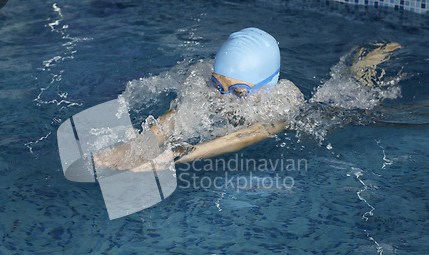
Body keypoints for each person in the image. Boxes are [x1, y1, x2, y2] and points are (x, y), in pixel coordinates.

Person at [93, 28, 402, 170]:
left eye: (238, 92)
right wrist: (138, 146)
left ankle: (373, 59)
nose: (224, 98)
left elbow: (253, 133)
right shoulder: (215, 87)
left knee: (356, 85)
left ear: (265, 85)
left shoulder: (281, 101)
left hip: (341, 105)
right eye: (218, 85)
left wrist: (183, 153)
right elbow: (177, 115)